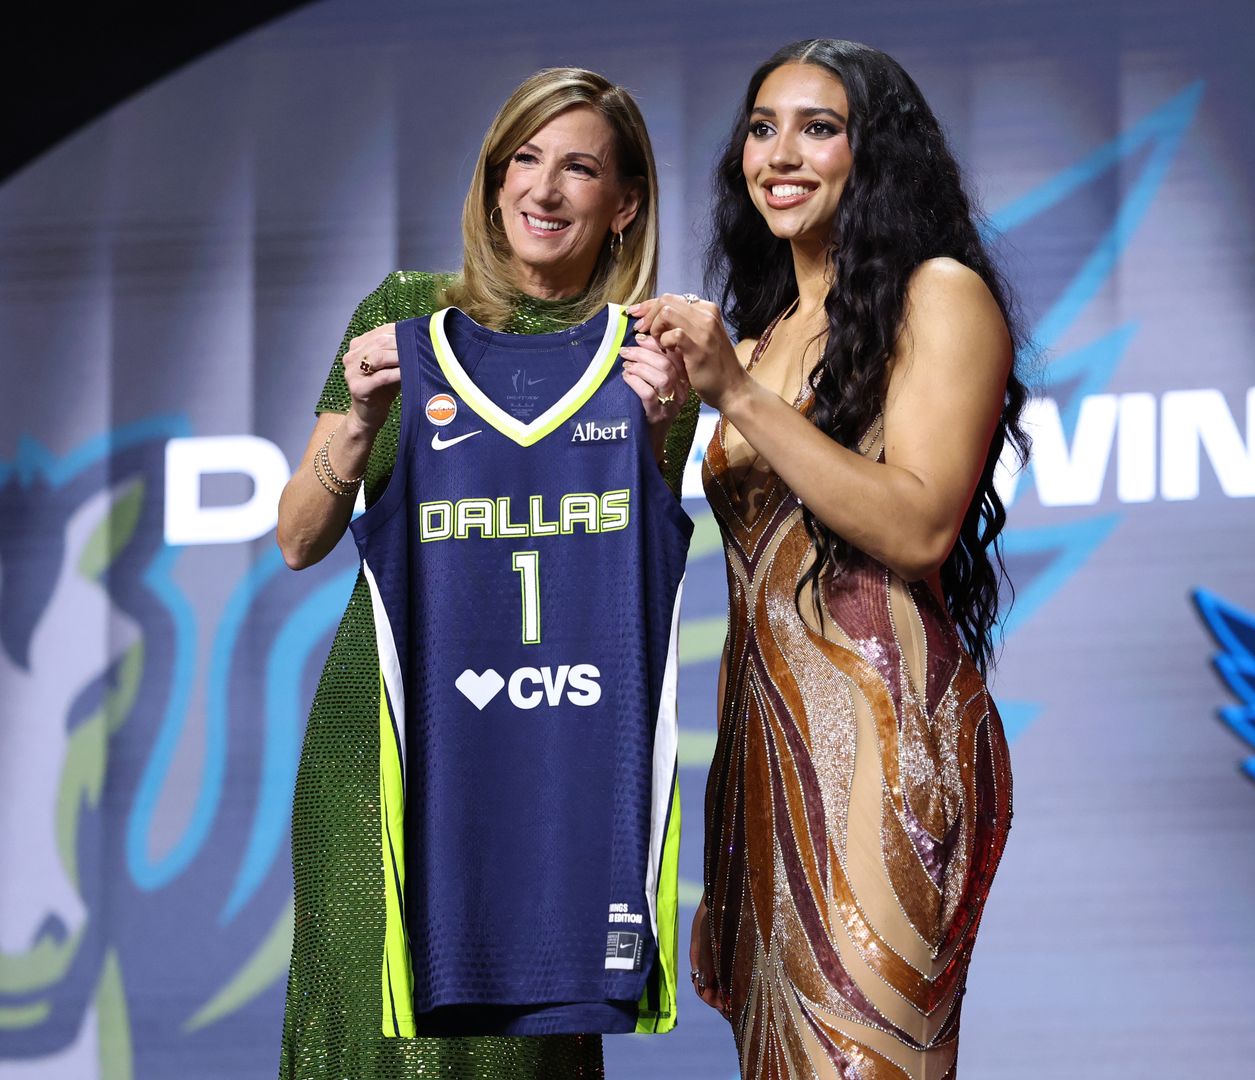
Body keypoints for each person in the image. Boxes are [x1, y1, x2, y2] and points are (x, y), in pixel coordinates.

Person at [274, 67, 695, 1079]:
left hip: (554, 753)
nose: (543, 189)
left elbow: (631, 576)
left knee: (522, 1041)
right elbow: (296, 539)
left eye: (578, 167)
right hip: (387, 746)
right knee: (373, 1035)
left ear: (624, 203)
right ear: (495, 179)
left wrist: (659, 424)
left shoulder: (647, 357)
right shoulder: (405, 313)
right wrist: (358, 423)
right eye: (524, 160)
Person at [634, 38, 1027, 1079]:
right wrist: (723, 841)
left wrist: (736, 397)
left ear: (877, 153)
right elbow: (750, 612)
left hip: (886, 746)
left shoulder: (938, 293)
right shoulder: (761, 337)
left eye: (818, 128)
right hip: (768, 768)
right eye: (762, 129)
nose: (780, 154)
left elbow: (920, 525)